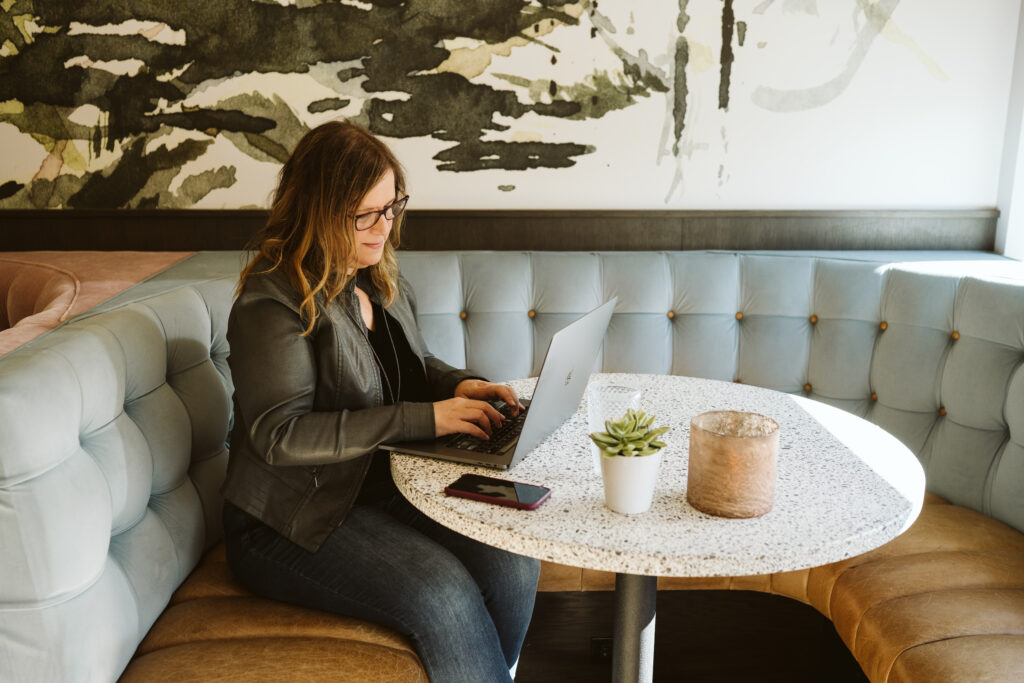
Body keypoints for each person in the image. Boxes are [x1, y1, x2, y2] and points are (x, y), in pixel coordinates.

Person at [221, 120, 540, 682]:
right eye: (365, 214)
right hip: (294, 518)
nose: (384, 226)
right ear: (317, 210)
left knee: (513, 559)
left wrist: (461, 386)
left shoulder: (373, 276)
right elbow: (280, 436)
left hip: (388, 486)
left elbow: (410, 370)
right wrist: (427, 417)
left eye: (391, 207)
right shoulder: (273, 300)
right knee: (444, 596)